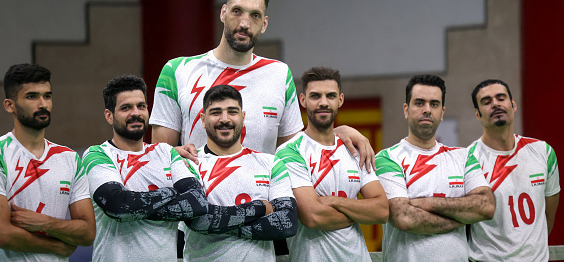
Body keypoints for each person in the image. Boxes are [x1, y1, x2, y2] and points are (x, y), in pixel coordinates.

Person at [149, 0, 374, 168]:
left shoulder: (279, 73)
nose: (245, 23)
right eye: (237, 12)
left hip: (262, 212)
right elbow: (160, 156)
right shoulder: (177, 70)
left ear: (264, 24)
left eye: (255, 16)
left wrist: (336, 133)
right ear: (223, 13)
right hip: (200, 213)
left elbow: (295, 153)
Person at [0, 63, 95, 261]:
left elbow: (88, 232)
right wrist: (56, 246)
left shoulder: (70, 158)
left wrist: (45, 223)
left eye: (47, 96)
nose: (43, 104)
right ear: (9, 105)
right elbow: (1, 234)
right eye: (32, 96)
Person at [82, 75, 208, 262]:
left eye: (141, 106)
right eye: (126, 108)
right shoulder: (97, 154)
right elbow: (117, 205)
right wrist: (171, 192)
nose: (136, 113)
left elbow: (197, 202)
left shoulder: (165, 152)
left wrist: (133, 207)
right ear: (109, 116)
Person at [374, 74, 494, 261]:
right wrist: (461, 217)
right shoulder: (388, 158)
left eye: (434, 104)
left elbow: (486, 206)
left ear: (442, 112)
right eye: (419, 103)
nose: (427, 110)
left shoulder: (463, 157)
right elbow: (403, 217)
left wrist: (428, 203)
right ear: (406, 110)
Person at [276, 67, 388, 262]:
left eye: (330, 96)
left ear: (340, 100)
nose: (323, 103)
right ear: (303, 100)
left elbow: (382, 210)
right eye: (315, 96)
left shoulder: (355, 149)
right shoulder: (290, 152)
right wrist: (362, 212)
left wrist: (335, 201)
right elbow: (313, 217)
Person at [181, 85, 298, 261]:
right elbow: (199, 220)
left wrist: (219, 223)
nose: (225, 119)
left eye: (232, 112)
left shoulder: (271, 163)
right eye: (216, 112)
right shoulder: (188, 165)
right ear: (203, 120)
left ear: (243, 117)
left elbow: (286, 224)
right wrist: (259, 207)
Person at [467, 79, 560, 261]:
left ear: (513, 105)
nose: (495, 104)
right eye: (486, 102)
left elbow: (548, 218)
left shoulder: (543, 151)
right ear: (477, 114)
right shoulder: (467, 160)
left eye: (501, 98)